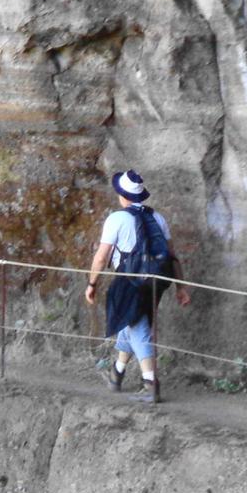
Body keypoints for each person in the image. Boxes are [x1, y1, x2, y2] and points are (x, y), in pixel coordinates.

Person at [84, 169, 191, 404]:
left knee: (138, 326)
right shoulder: (158, 218)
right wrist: (180, 286)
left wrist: (92, 283)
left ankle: (150, 384)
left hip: (131, 279)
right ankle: (117, 372)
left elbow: (102, 257)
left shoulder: (117, 219)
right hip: (158, 280)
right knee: (131, 320)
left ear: (122, 195)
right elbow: (172, 256)